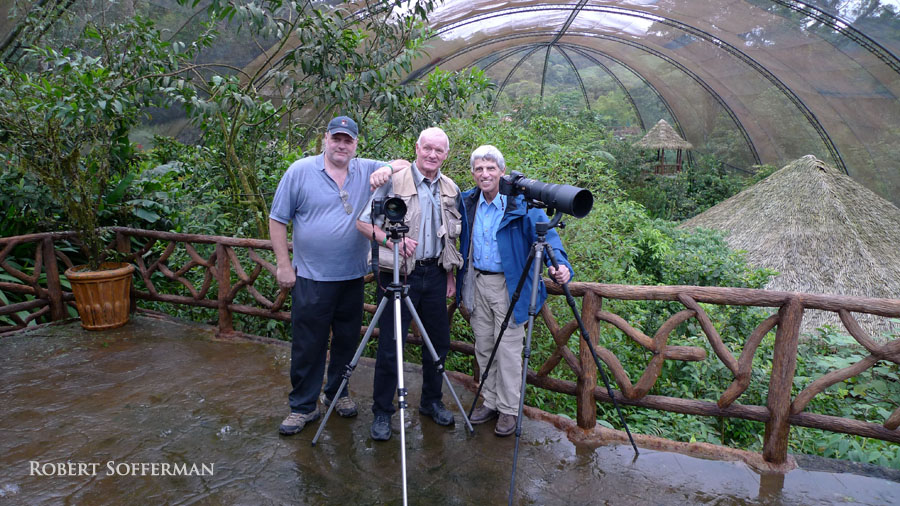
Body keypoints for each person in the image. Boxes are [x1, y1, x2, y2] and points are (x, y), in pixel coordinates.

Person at [269, 116, 409, 436]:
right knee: (309, 344)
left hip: (352, 277)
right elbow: (277, 220)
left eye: (348, 140)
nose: (342, 145)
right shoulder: (301, 171)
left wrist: (388, 168)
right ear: (326, 139)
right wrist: (283, 264)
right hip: (312, 277)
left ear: (356, 144)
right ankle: (303, 406)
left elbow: (406, 165)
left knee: (346, 341)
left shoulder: (365, 169)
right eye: (337, 139)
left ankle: (337, 393)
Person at [356, 127, 464, 442]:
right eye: (427, 148)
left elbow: (450, 236)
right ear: (417, 147)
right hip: (399, 275)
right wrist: (392, 242)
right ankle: (381, 412)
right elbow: (363, 223)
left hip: (433, 275)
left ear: (446, 154)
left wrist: (448, 274)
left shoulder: (450, 188)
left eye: (439, 150)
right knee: (391, 346)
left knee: (438, 344)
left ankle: (431, 403)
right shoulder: (394, 180)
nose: (432, 155)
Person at [456, 145, 572, 436]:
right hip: (477, 282)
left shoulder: (520, 203)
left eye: (491, 168)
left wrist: (560, 265)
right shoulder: (468, 201)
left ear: (502, 172)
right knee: (484, 346)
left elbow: (548, 235)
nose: (485, 174)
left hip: (510, 285)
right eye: (479, 169)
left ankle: (509, 409)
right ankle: (491, 401)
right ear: (473, 173)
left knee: (507, 350)